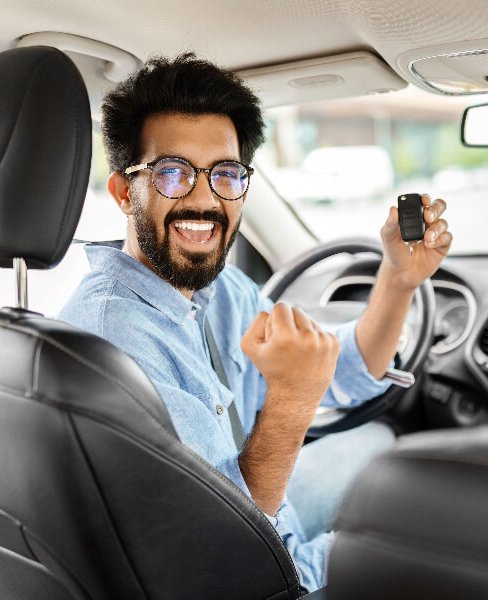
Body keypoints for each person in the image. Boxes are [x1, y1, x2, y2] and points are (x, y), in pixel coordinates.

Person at [59, 53, 452, 592]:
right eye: (173, 173)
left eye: (225, 174)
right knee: (443, 537)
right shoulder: (114, 340)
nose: (204, 199)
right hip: (246, 571)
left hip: (260, 521)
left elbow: (344, 369)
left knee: (380, 440)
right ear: (127, 193)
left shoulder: (211, 289)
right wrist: (291, 400)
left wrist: (398, 280)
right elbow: (219, 557)